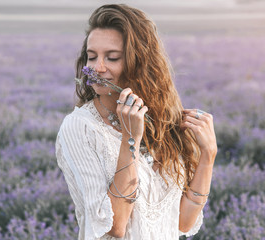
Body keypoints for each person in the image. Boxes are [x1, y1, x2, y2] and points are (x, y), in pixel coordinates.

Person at [55, 4, 217, 240]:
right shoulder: (80, 128)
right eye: (92, 57)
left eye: (112, 58)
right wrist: (129, 139)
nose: (98, 68)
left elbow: (182, 223)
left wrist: (208, 155)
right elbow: (115, 227)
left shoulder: (161, 120)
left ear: (140, 62)